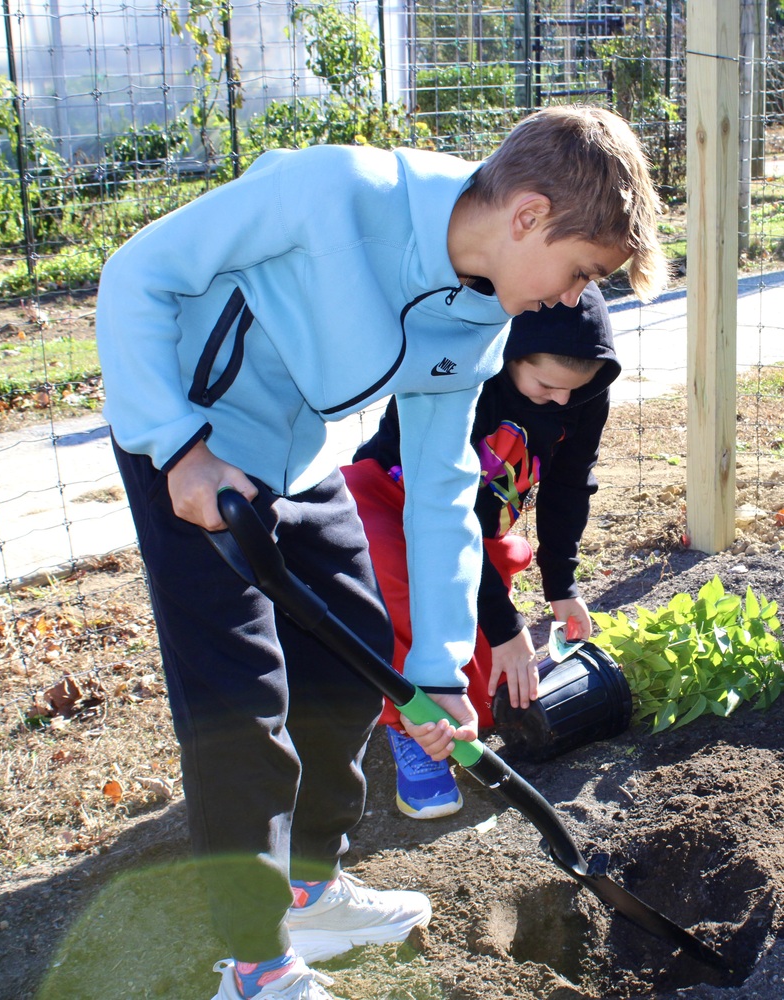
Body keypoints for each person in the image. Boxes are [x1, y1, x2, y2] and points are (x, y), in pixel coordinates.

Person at [95, 105, 665, 1000]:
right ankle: (252, 965)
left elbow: (443, 486)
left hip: (302, 453)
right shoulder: (333, 192)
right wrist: (176, 444)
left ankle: (309, 893)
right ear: (527, 216)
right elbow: (137, 275)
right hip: (194, 447)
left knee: (354, 659)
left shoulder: (480, 316)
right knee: (240, 700)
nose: (571, 297)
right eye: (579, 270)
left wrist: (440, 667)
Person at [344, 283, 618, 819]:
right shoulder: (464, 376)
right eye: (547, 385)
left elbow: (569, 484)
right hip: (392, 503)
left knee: (487, 694)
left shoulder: (580, 393)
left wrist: (562, 585)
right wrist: (508, 626)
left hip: (475, 531)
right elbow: (445, 511)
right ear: (511, 353)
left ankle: (432, 712)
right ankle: (410, 729)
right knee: (411, 602)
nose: (563, 401)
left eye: (575, 390)